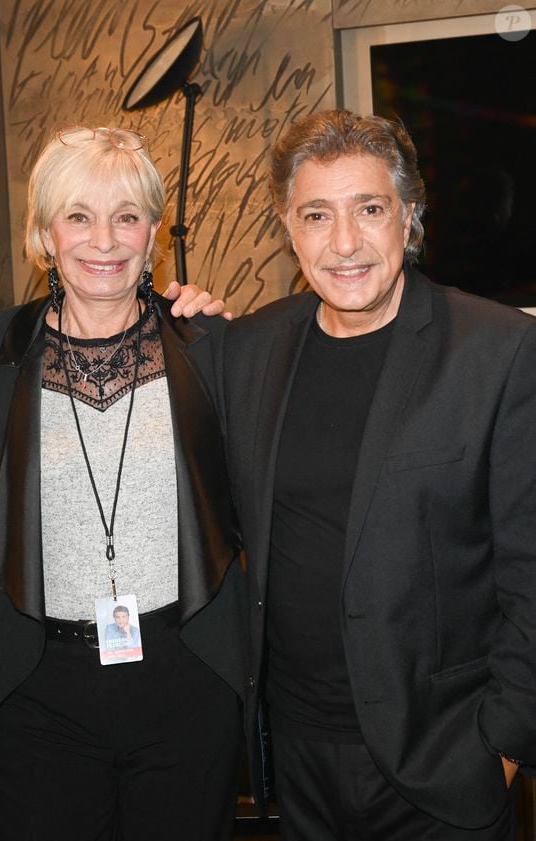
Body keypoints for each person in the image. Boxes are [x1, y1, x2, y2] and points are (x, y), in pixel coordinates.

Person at [216, 109, 536, 839]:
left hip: (443, 764)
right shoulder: (248, 348)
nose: (345, 243)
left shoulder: (499, 352)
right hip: (293, 760)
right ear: (287, 226)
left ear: (410, 216)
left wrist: (503, 746)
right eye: (317, 215)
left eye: (369, 209)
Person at [0, 126, 245, 841]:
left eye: (127, 216)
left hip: (187, 678)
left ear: (153, 233)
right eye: (78, 216)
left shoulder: (215, 352)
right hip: (35, 688)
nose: (105, 240)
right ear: (46, 236)